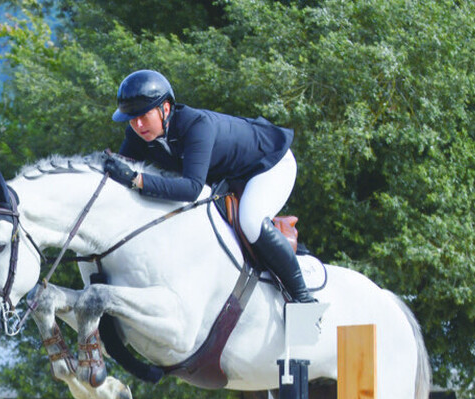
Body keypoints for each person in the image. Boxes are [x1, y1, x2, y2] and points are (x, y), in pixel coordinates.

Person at [102, 69, 315, 303]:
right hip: (228, 175)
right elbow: (121, 174)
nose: (138, 125)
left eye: (144, 116)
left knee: (251, 222)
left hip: (269, 164)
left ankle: (303, 299)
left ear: (165, 108)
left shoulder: (196, 125)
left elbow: (191, 189)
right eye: (132, 119)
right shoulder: (137, 135)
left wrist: (136, 180)